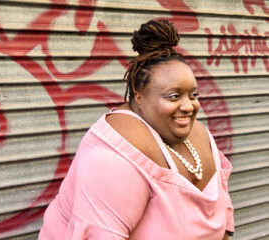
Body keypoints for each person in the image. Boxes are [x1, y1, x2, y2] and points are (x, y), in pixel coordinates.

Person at [38, 20, 234, 239]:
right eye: (173, 96)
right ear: (139, 98)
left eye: (193, 95)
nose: (189, 106)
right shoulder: (112, 158)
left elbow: (222, 216)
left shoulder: (199, 135)